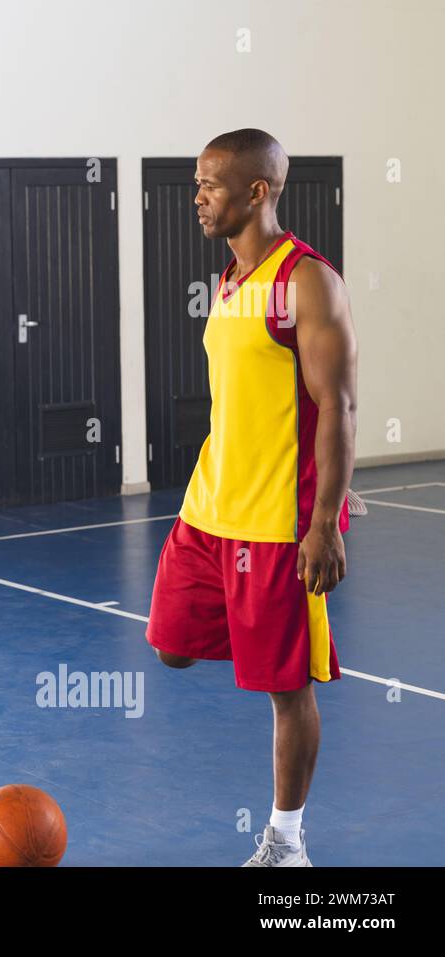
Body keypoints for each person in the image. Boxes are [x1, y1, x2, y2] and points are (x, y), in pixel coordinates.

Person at [146, 129, 357, 866]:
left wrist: (324, 520)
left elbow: (338, 405)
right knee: (171, 646)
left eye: (209, 184)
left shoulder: (306, 282)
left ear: (257, 191)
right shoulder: (231, 281)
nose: (197, 196)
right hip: (206, 512)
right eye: (197, 184)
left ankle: (286, 840)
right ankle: (266, 632)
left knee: (284, 688)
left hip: (274, 527)